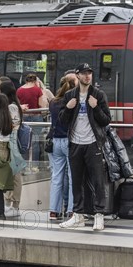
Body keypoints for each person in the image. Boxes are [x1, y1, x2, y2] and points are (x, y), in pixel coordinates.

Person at [59, 63, 111, 231]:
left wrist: (95, 107)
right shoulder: (69, 96)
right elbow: (62, 120)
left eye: (89, 73)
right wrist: (68, 108)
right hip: (75, 143)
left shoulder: (98, 95)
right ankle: (78, 215)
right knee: (76, 180)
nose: (88, 76)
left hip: (93, 142)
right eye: (84, 73)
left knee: (98, 180)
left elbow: (106, 120)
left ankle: (99, 215)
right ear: (78, 75)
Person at [47, 75, 76, 221]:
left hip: (55, 141)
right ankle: (71, 210)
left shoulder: (53, 102)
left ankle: (54, 210)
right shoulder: (72, 102)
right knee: (72, 177)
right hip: (70, 141)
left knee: (56, 177)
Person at [0, 80, 24, 218]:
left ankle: (14, 204)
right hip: (11, 141)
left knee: (15, 175)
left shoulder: (12, 107)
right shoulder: (14, 106)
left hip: (11, 142)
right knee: (11, 174)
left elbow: (12, 126)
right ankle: (9, 203)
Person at [17, 73, 48, 161]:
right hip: (36, 117)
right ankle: (35, 164)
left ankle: (24, 163)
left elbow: (18, 105)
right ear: (35, 81)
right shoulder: (37, 90)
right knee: (35, 141)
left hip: (24, 118)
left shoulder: (19, 90)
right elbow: (42, 106)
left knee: (24, 141)